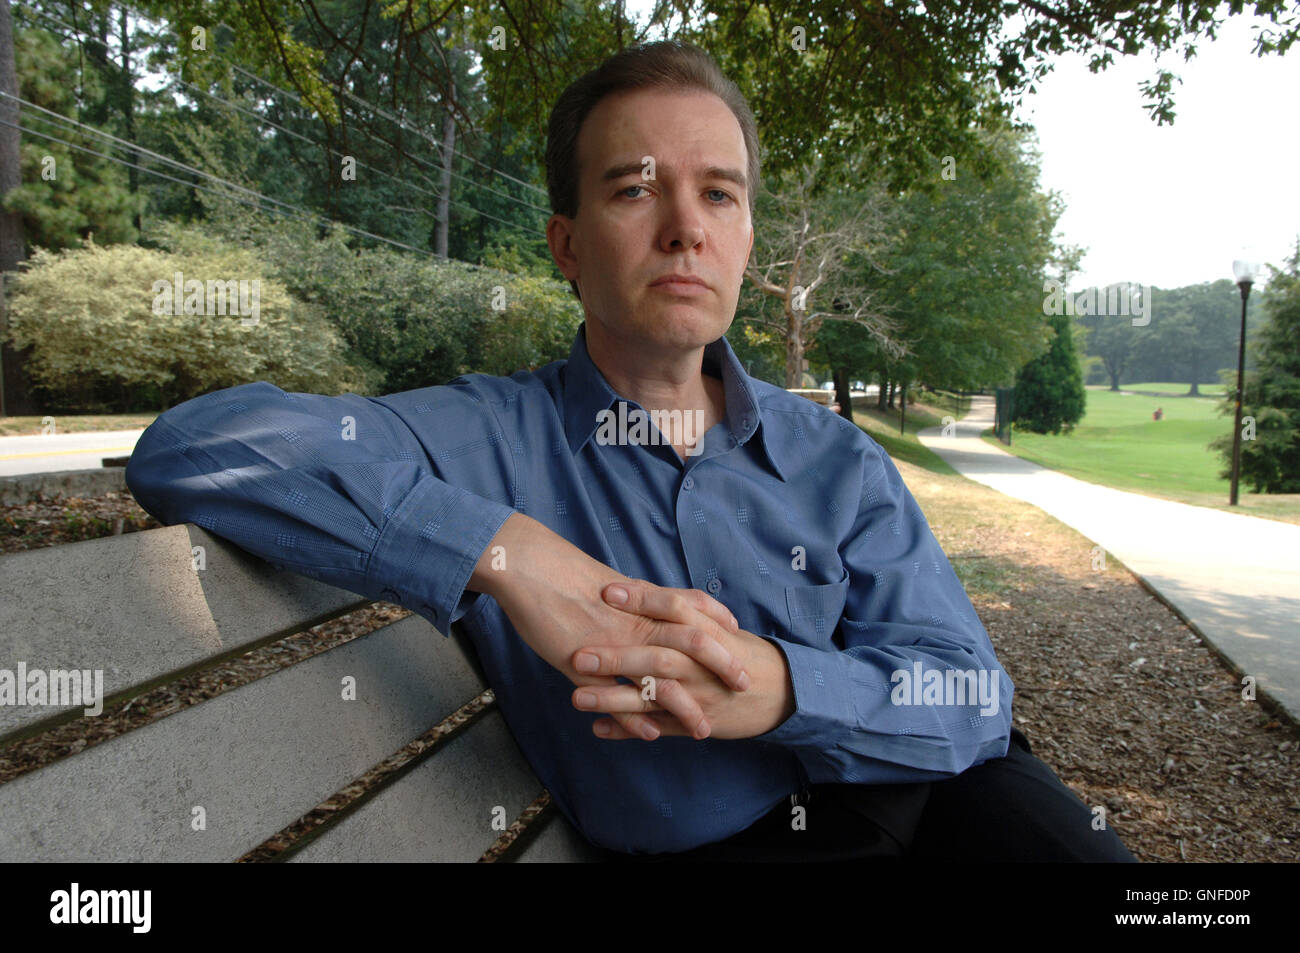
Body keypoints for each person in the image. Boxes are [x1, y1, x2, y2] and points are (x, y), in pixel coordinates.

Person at [125, 41, 1135, 862]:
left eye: (720, 195)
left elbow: (967, 692)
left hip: (951, 798)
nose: (685, 229)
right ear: (567, 246)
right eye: (634, 190)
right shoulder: (481, 435)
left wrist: (787, 687)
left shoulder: (836, 459)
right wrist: (510, 548)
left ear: (745, 243)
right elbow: (196, 445)